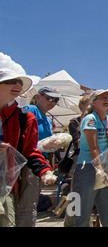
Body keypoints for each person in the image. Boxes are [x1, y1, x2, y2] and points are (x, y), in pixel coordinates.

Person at [0, 69, 55, 227]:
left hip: (5, 185)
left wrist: (45, 170)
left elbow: (29, 150)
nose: (17, 84)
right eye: (11, 81)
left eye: (20, 82)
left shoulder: (25, 117)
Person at [71, 90, 108, 227]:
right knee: (83, 212)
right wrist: (99, 170)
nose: (107, 99)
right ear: (93, 102)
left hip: (107, 166)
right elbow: (93, 147)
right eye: (102, 98)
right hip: (88, 167)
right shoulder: (90, 119)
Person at [63, 94, 89, 227]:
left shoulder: (98, 120)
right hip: (80, 160)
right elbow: (78, 143)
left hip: (94, 160)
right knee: (76, 194)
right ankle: (69, 223)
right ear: (82, 106)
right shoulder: (75, 122)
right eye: (88, 103)